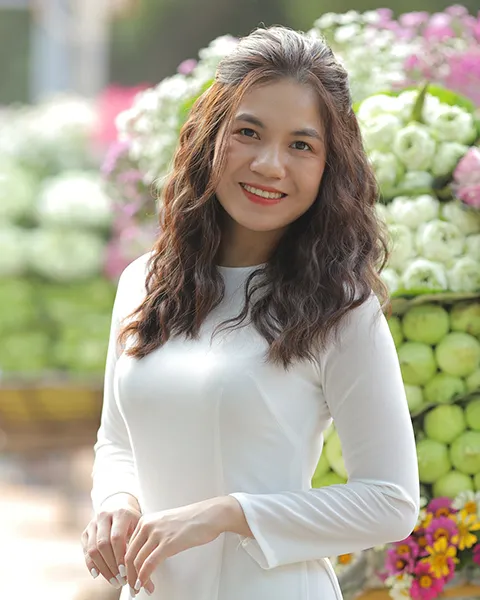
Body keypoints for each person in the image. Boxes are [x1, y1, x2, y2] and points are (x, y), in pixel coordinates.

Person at [81, 25, 420, 600]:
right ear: (211, 137)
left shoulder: (340, 307)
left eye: (301, 145)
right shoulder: (144, 281)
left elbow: (391, 502)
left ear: (330, 166)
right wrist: (117, 500)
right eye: (248, 132)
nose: (269, 164)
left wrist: (227, 514)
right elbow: (117, 442)